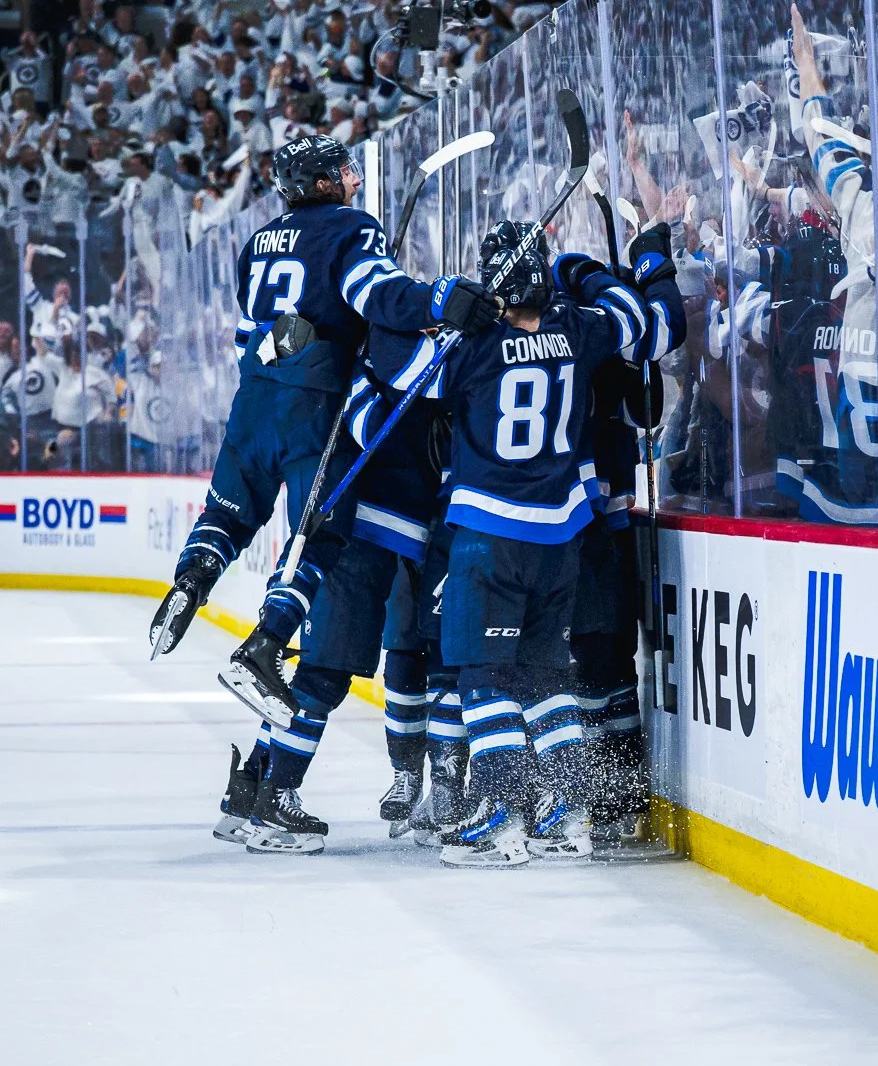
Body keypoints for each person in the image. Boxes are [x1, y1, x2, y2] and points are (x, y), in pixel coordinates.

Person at [148, 135, 501, 849]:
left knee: (237, 521)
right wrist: (439, 302)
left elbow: (267, 330)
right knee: (352, 656)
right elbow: (385, 298)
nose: (351, 177)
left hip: (261, 396)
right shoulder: (363, 259)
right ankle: (281, 767)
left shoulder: (259, 245)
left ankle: (250, 784)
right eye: (341, 170)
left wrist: (412, 308)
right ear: (322, 181)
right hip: (361, 491)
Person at [372, 218, 682, 865]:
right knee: (545, 678)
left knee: (484, 677)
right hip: (563, 537)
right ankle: (569, 813)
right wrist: (585, 271)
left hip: (490, 538)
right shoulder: (580, 330)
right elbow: (653, 324)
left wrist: (443, 299)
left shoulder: (471, 347)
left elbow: (392, 363)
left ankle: (502, 817)